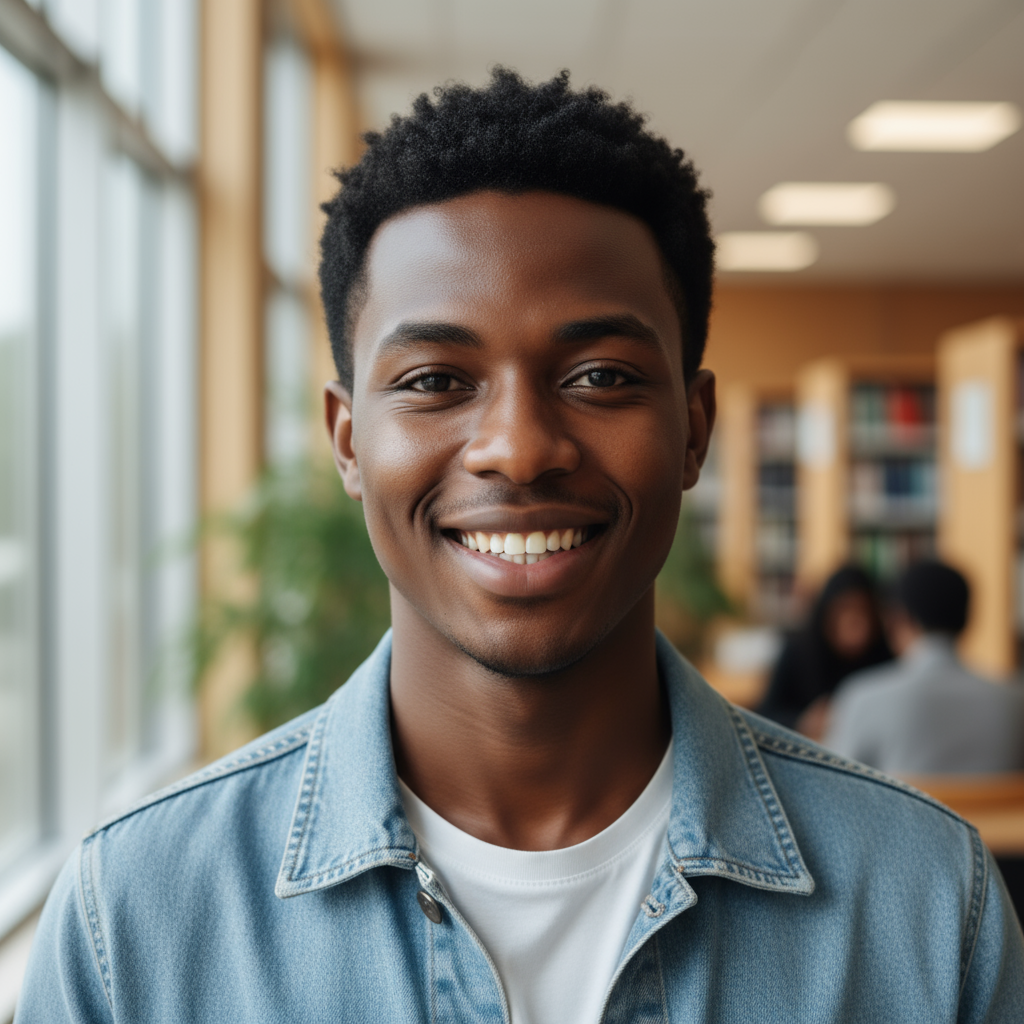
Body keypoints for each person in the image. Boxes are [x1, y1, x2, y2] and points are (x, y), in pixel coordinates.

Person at [16, 69, 1023, 1023]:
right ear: (348, 439)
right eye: (433, 381)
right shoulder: (135, 922)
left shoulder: (927, 906)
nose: (520, 448)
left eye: (600, 377)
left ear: (693, 430)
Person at [825, 560, 1024, 774]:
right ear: (967, 619)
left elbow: (830, 783)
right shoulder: (1017, 701)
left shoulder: (863, 696)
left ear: (899, 618)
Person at [757, 565, 892, 737]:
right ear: (826, 613)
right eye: (845, 610)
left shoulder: (885, 657)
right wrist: (802, 721)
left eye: (862, 611)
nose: (854, 622)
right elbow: (763, 715)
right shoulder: (798, 653)